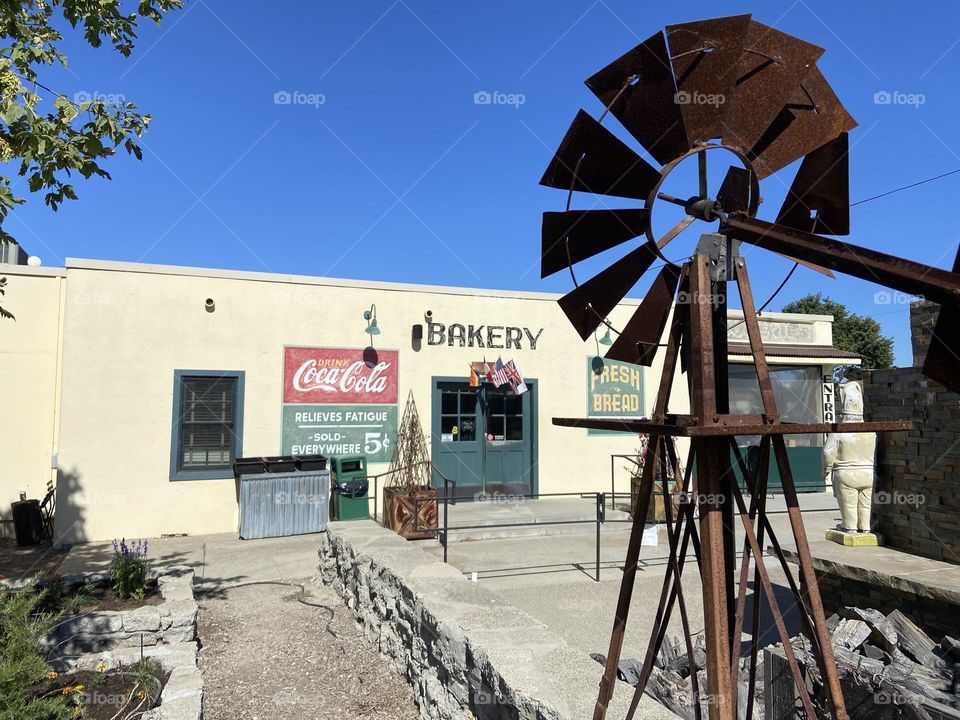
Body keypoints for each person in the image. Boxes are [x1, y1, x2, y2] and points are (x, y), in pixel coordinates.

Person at [823, 382, 877, 533]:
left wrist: (826, 470)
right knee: (866, 505)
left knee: (849, 504)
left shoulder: (839, 432)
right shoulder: (871, 432)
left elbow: (828, 453)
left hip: (846, 474)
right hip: (868, 474)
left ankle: (850, 527)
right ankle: (865, 527)